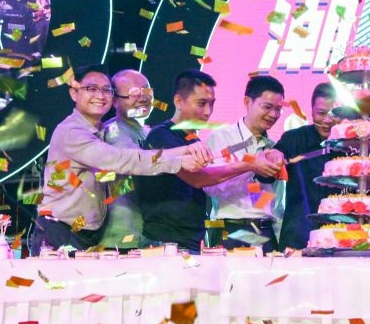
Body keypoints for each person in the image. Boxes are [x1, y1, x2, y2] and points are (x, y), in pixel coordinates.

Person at [30, 65, 211, 252]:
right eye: (91, 89)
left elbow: (137, 156)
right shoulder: (75, 133)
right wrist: (179, 160)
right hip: (63, 229)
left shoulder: (101, 131)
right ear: (74, 93)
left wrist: (184, 150)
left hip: (87, 232)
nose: (100, 95)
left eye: (106, 90)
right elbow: (124, 159)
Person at [138, 70, 286, 253]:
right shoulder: (163, 135)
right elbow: (200, 180)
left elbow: (275, 201)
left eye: (212, 104)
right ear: (178, 101)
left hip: (195, 238)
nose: (208, 112)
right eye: (201, 103)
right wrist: (250, 165)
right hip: (168, 240)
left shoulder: (196, 141)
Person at [204, 75, 287, 252]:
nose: (273, 115)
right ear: (247, 102)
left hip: (266, 232)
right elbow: (210, 187)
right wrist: (251, 167)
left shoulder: (273, 148)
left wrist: (280, 238)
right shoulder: (222, 138)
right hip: (231, 230)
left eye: (278, 109)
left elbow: (277, 201)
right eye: (267, 107)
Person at [274, 82, 342, 250]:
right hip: (297, 238)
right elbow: (271, 165)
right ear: (311, 111)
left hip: (340, 238)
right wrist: (274, 156)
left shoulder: (351, 145)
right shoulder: (293, 139)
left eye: (334, 114)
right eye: (321, 113)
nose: (327, 120)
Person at [100, 69, 154, 248]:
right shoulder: (113, 130)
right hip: (120, 237)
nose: (143, 97)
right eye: (134, 93)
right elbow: (136, 162)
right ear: (115, 100)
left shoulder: (148, 131)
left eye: (146, 90)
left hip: (146, 233)